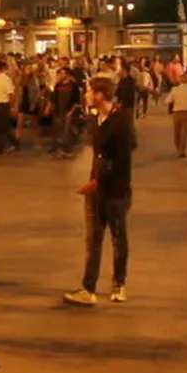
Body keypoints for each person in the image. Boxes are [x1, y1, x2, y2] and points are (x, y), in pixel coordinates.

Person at [64, 76, 134, 306]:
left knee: (118, 238)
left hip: (116, 191)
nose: (85, 95)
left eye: (89, 92)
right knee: (93, 240)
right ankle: (89, 287)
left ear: (100, 94)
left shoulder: (121, 121)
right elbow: (98, 154)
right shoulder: (97, 119)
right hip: (96, 191)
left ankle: (119, 284)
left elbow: (122, 159)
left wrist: (99, 181)